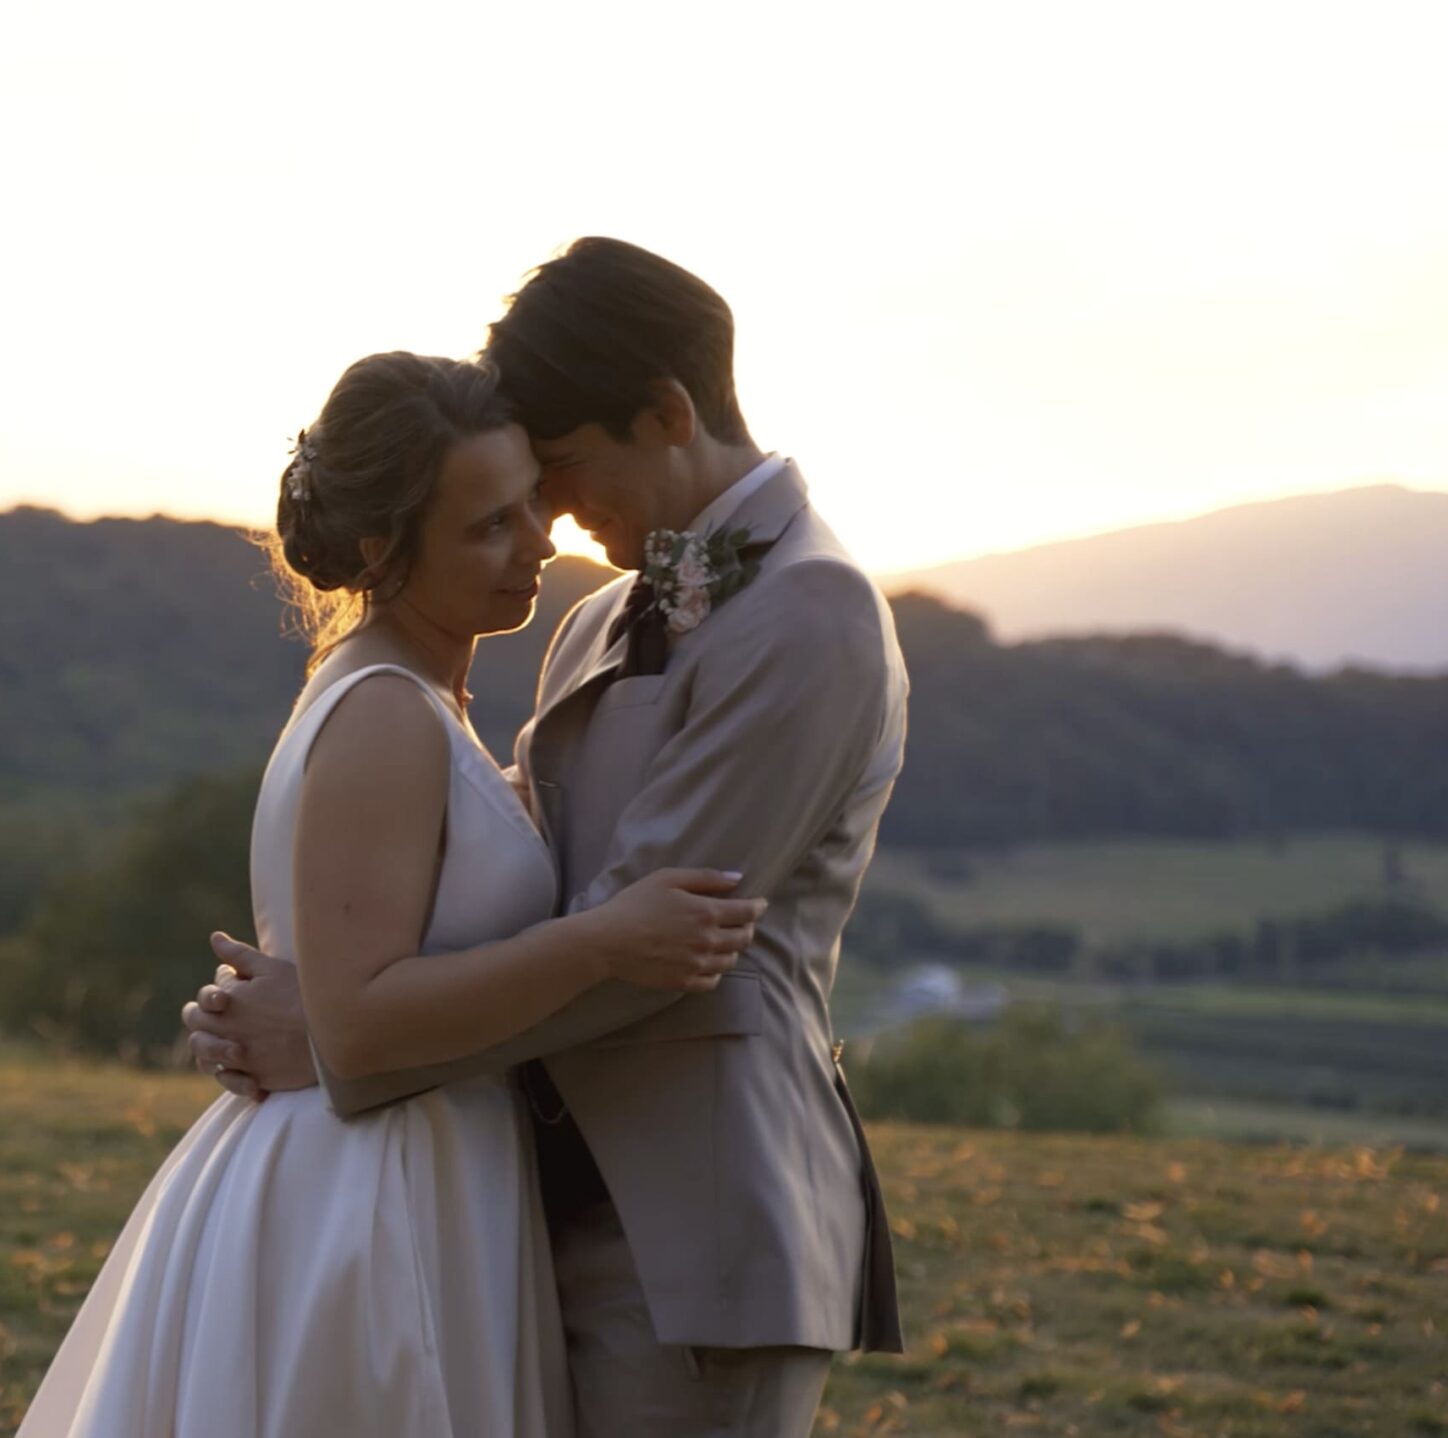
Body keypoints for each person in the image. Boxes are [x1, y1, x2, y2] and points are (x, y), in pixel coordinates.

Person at [187, 238, 910, 1437]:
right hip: (519, 1203)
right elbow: (494, 889)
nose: (555, 517)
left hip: (694, 1227)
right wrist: (323, 1002)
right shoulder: (597, 619)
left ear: (668, 412)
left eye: (561, 470)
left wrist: (335, 1036)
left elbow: (652, 950)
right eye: (517, 499)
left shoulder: (812, 612)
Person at [15, 351, 768, 1438]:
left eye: (530, 506)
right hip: (370, 1200)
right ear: (381, 548)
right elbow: (360, 1025)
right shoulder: (383, 715)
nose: (537, 544)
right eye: (488, 526)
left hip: (430, 1171)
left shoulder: (421, 702)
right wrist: (603, 941)